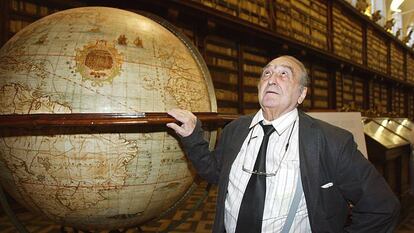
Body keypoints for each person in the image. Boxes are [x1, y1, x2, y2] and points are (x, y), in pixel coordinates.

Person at [167, 55, 400, 233]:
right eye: (266, 74)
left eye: (284, 74)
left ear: (301, 94)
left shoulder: (331, 141)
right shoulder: (235, 131)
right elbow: (216, 173)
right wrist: (192, 138)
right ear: (258, 87)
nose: (272, 79)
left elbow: (382, 207)